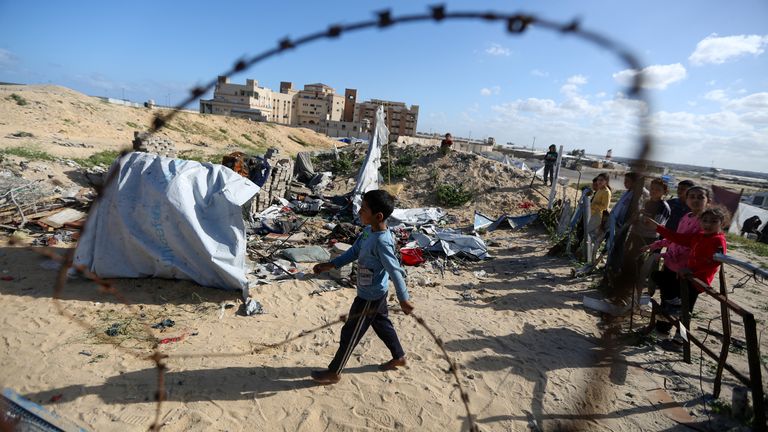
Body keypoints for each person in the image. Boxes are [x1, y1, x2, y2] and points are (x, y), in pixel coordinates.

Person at [310, 189, 415, 385]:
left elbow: (395, 271)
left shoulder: (383, 242)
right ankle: (399, 356)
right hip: (374, 292)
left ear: (378, 216)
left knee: (350, 333)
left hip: (370, 296)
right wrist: (331, 265)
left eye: (364, 209)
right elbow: (354, 252)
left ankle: (334, 371)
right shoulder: (368, 232)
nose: (359, 211)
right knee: (382, 325)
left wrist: (403, 299)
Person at [647, 205, 730, 348]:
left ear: (721, 223)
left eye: (713, 222)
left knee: (686, 314)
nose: (708, 224)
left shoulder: (718, 240)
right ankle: (675, 305)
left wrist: (692, 271)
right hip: (687, 277)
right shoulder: (700, 236)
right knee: (659, 277)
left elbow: (716, 261)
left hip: (697, 281)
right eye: (705, 221)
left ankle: (680, 342)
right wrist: (659, 228)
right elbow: (678, 239)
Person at [645, 186, 710, 337]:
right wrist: (655, 245)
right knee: (668, 301)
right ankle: (662, 330)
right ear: (686, 200)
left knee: (684, 307)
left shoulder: (707, 222)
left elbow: (687, 241)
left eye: (700, 197)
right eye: (691, 196)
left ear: (708, 201)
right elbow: (674, 238)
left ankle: (680, 340)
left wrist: (658, 228)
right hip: (672, 263)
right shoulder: (687, 216)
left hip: (688, 270)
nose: (695, 200)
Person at [587, 173, 611, 248]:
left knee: (591, 235)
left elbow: (605, 206)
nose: (599, 182)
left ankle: (589, 254)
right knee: (588, 233)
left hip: (597, 216)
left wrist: (593, 205)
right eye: (598, 180)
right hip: (592, 213)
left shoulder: (606, 192)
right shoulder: (600, 189)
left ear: (606, 181)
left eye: (601, 180)